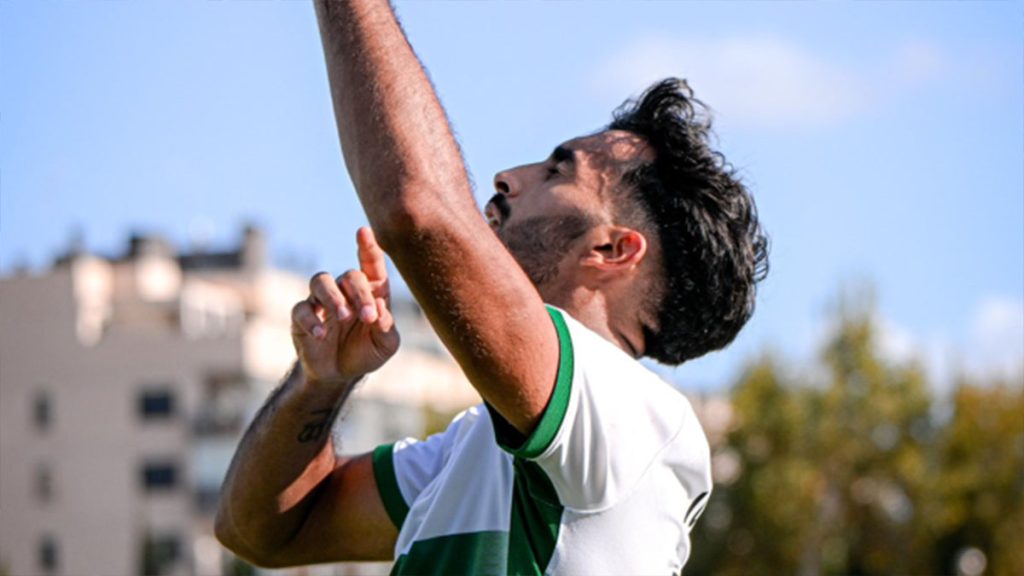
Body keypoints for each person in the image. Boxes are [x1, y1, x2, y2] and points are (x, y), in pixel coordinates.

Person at [215, 0, 768, 573]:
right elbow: (261, 531)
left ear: (611, 249)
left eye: (558, 171)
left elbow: (419, 211)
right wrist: (319, 384)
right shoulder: (470, 449)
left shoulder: (636, 417)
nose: (509, 175)